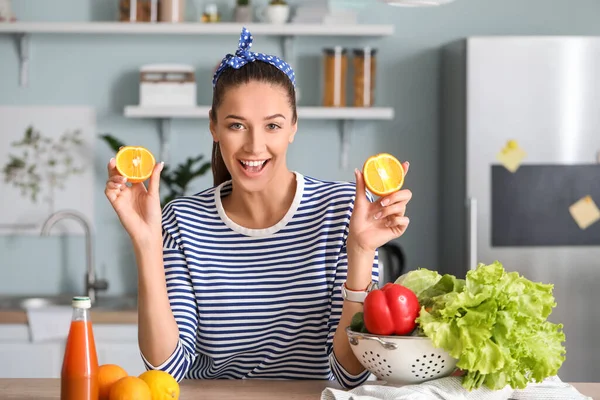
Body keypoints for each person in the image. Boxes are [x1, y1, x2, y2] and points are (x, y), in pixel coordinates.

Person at [104, 27, 411, 389]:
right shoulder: (182, 222)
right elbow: (167, 370)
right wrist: (147, 244)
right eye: (237, 125)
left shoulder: (343, 212)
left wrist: (360, 251)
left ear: (293, 128)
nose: (254, 145)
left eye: (272, 126)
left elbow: (350, 373)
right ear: (214, 127)